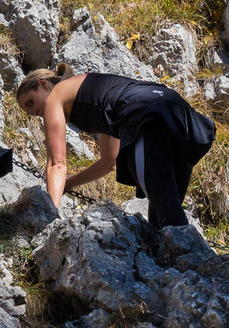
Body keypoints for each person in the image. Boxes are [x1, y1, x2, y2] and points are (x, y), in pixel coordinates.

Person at [16, 65, 216, 229]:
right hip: (174, 109)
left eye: (31, 102)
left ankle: (200, 268)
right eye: (31, 112)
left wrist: (50, 219)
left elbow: (57, 164)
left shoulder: (54, 97)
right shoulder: (98, 96)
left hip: (146, 115)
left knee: (166, 211)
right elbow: (108, 162)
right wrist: (69, 184)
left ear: (43, 84)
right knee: (164, 222)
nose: (37, 113)